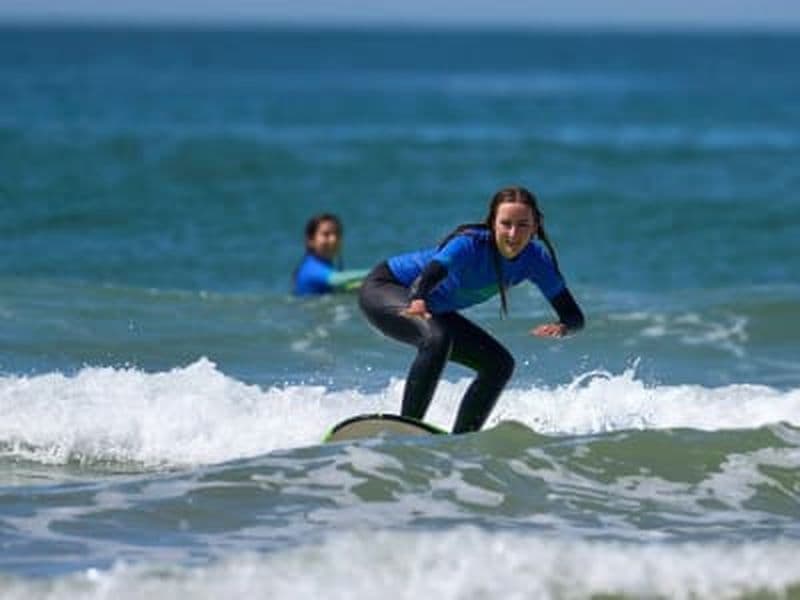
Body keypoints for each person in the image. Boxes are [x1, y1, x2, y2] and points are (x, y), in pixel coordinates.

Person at [358, 186, 584, 434]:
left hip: (430, 306)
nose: (513, 233)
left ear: (535, 226)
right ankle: (407, 427)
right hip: (386, 288)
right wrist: (419, 298)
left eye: (522, 225)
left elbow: (574, 316)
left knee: (499, 364)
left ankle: (462, 440)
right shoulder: (470, 244)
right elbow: (432, 273)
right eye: (505, 224)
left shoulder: (535, 260)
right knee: (437, 338)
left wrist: (563, 327)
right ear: (493, 224)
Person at [292, 213, 369, 296]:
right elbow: (339, 279)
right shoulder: (310, 268)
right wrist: (378, 272)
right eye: (326, 234)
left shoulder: (328, 268)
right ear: (311, 240)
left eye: (337, 234)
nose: (333, 239)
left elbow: (345, 286)